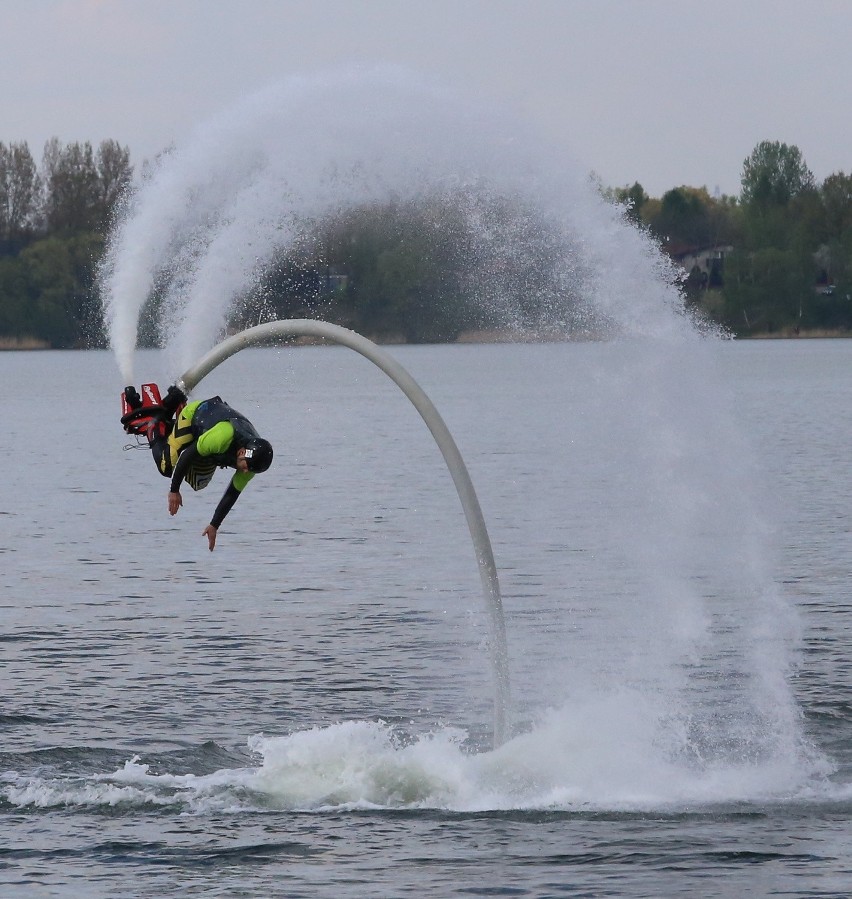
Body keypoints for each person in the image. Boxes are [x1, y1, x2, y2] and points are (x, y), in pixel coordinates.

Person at [121, 385, 274, 551]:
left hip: (207, 435)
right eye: (246, 467)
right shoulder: (222, 436)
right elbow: (188, 454)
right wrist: (174, 490)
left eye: (249, 470)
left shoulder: (253, 461)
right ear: (243, 452)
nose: (245, 472)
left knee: (198, 482)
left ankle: (174, 406)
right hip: (193, 418)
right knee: (166, 466)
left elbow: (232, 493)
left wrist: (214, 525)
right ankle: (155, 427)